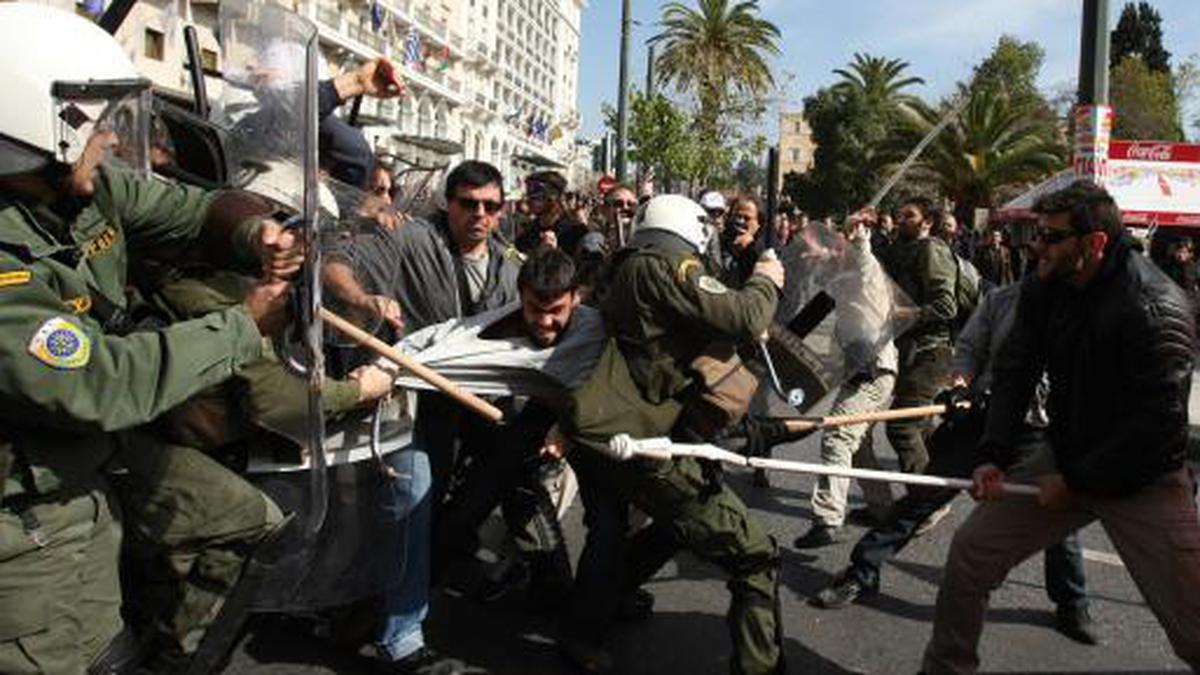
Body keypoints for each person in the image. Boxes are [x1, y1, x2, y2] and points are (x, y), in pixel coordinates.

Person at [0, 5, 296, 674]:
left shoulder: (84, 189)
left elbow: (188, 208)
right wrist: (242, 325)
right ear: (32, 123)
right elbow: (98, 380)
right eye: (89, 118)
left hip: (93, 471)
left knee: (246, 522)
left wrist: (258, 235)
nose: (108, 137)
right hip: (29, 526)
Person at [921, 181, 1200, 674]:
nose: (1036, 246)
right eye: (1035, 233)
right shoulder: (1044, 284)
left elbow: (1157, 432)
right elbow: (1015, 370)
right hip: (1067, 452)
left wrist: (1076, 485)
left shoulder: (1157, 307)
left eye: (1050, 236)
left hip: (1144, 476)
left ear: (1094, 243)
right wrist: (994, 453)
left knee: (1193, 626)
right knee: (971, 554)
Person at [324, 161, 565, 673]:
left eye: (491, 206)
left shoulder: (508, 263)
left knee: (519, 475)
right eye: (469, 204)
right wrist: (366, 298)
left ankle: (556, 591)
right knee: (412, 498)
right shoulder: (409, 238)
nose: (480, 215)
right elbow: (334, 264)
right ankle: (401, 637)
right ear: (447, 204)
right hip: (411, 401)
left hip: (478, 402)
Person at [562, 194, 787, 675]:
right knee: (754, 556)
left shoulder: (633, 266)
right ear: (690, 227)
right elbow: (744, 314)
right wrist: (767, 281)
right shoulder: (665, 264)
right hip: (645, 439)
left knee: (649, 530)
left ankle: (591, 618)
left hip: (619, 428)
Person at [811, 277, 1099, 646]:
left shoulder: (1087, 307)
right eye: (1040, 246)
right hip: (985, 420)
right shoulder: (1003, 301)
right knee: (924, 498)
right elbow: (969, 348)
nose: (1045, 256)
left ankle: (1072, 603)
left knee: (1056, 519)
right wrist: (962, 384)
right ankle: (862, 571)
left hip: (1041, 432)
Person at [792, 209, 899, 548]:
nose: (813, 255)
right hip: (860, 368)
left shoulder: (863, 269)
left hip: (874, 370)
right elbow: (807, 319)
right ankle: (882, 508)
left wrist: (860, 240)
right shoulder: (837, 280)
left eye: (818, 249)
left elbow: (865, 264)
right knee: (860, 444)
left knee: (838, 436)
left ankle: (827, 519)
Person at [878, 198, 957, 480]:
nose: (900, 220)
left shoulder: (932, 250)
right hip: (910, 351)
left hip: (931, 351)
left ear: (928, 222)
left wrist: (904, 313)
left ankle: (924, 503)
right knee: (920, 426)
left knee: (902, 425)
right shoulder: (902, 250)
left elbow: (946, 307)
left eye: (909, 216)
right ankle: (939, 484)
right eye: (899, 214)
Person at [515, 171, 588, 256]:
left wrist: (554, 254)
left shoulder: (575, 231)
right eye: (528, 194)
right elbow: (511, 255)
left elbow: (583, 267)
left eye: (536, 197)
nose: (528, 200)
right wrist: (505, 247)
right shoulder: (529, 229)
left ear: (552, 198)